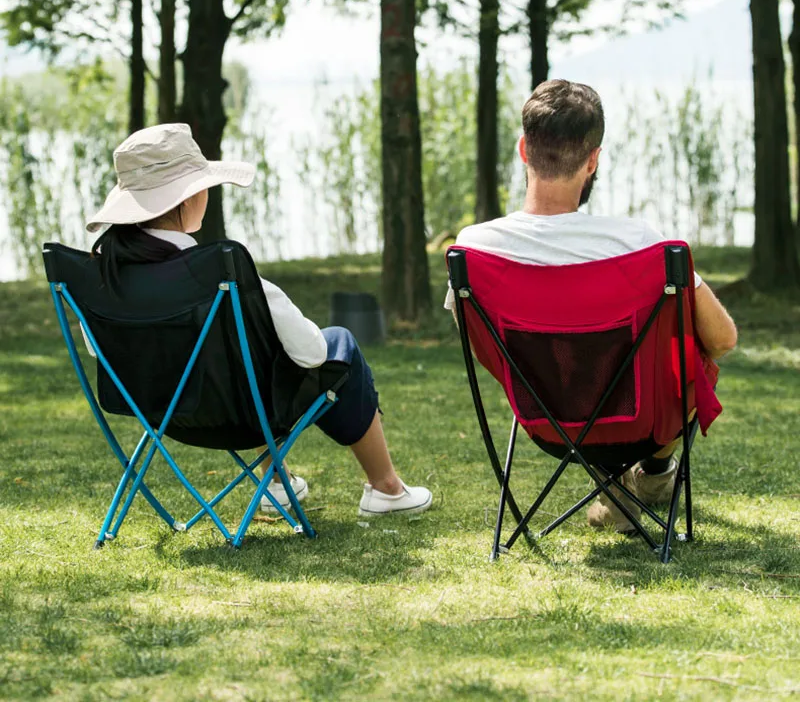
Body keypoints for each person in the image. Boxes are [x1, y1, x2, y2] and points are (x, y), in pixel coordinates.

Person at [85, 123, 432, 518]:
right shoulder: (220, 273)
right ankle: (386, 489)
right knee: (337, 345)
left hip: (161, 415)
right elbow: (313, 353)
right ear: (187, 197)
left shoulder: (98, 275)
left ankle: (278, 483)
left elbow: (98, 350)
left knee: (244, 365)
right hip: (243, 415)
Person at [445, 79, 737, 533]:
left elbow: (482, 347)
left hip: (546, 422)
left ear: (524, 149)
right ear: (593, 159)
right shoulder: (641, 246)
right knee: (693, 354)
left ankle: (615, 486)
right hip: (641, 423)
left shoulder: (474, 250)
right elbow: (723, 339)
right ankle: (655, 472)